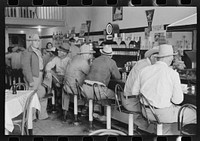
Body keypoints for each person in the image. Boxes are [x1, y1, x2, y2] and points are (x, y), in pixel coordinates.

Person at [132, 44, 196, 125]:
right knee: (194, 113)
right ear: (170, 58)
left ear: (158, 57)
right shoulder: (172, 74)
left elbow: (134, 92)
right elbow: (178, 100)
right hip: (163, 114)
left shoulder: (144, 70)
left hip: (146, 112)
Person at [123, 46, 159, 133]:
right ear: (153, 57)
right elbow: (146, 89)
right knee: (157, 108)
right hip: (133, 102)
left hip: (129, 98)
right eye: (159, 58)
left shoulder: (142, 63)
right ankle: (149, 129)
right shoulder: (146, 67)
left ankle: (145, 128)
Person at [62, 43, 95, 121]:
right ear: (85, 54)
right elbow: (89, 73)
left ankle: (65, 113)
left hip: (66, 86)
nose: (90, 55)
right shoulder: (83, 61)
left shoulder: (75, 58)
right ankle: (85, 111)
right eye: (90, 54)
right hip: (74, 88)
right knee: (92, 91)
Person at [21, 34, 48, 120]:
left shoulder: (38, 51)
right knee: (31, 97)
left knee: (42, 94)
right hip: (33, 77)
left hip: (40, 75)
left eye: (38, 40)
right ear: (31, 41)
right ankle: (31, 117)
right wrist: (30, 80)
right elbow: (25, 68)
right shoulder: (27, 52)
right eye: (35, 40)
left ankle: (42, 115)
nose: (37, 42)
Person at [43, 46, 71, 111]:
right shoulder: (56, 58)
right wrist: (47, 71)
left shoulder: (69, 60)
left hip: (66, 77)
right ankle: (49, 91)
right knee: (49, 72)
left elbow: (70, 73)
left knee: (65, 91)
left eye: (60, 51)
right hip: (57, 77)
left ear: (64, 53)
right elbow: (49, 65)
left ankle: (64, 109)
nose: (57, 51)